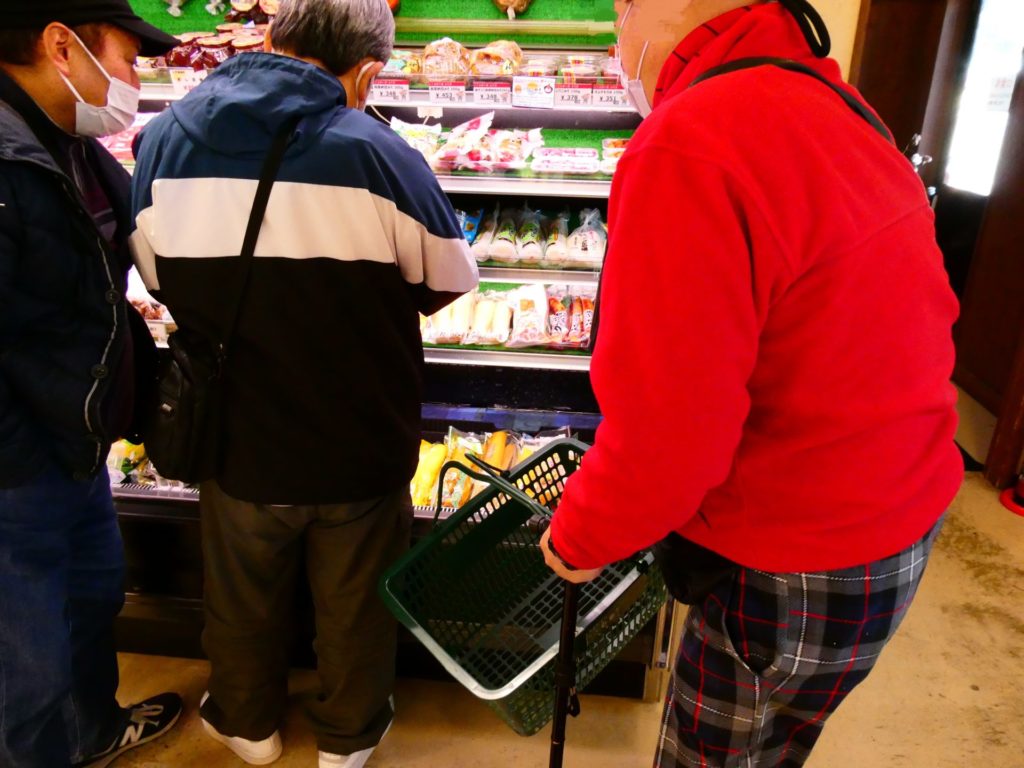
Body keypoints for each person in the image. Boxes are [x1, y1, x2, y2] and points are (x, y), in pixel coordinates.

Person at [539, 1, 963, 766]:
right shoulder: (831, 96)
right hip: (894, 528)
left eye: (622, 11)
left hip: (791, 560)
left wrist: (581, 535)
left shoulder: (689, 141)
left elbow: (668, 437)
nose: (616, 36)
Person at [129, 0, 478, 766]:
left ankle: (248, 724)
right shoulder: (378, 153)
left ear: (271, 39)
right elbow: (450, 277)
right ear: (368, 73)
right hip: (357, 426)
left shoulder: (163, 137)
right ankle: (347, 739)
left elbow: (154, 273)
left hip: (236, 431)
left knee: (241, 592)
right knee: (356, 598)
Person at [0, 2, 185, 767]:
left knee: (89, 597)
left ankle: (94, 733)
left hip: (70, 439)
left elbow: (101, 279)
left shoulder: (66, 141)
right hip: (19, 459)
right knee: (27, 648)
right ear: (61, 46)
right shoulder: (10, 165)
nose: (134, 76)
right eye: (129, 56)